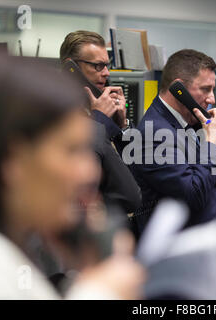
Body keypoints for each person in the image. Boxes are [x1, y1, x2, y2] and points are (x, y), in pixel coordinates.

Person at [0, 53, 145, 299]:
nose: (90, 171)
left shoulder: (10, 252)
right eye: (70, 150)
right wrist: (101, 291)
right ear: (13, 162)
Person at [129, 49, 216, 245]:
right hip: (186, 255)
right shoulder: (153, 133)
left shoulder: (190, 123)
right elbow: (193, 194)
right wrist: (212, 142)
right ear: (179, 89)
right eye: (205, 89)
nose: (212, 98)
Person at [60, 30, 141, 215]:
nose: (106, 73)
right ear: (71, 66)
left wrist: (123, 127)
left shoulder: (99, 110)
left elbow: (134, 175)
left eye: (107, 65)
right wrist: (99, 120)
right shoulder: (58, 113)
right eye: (98, 66)